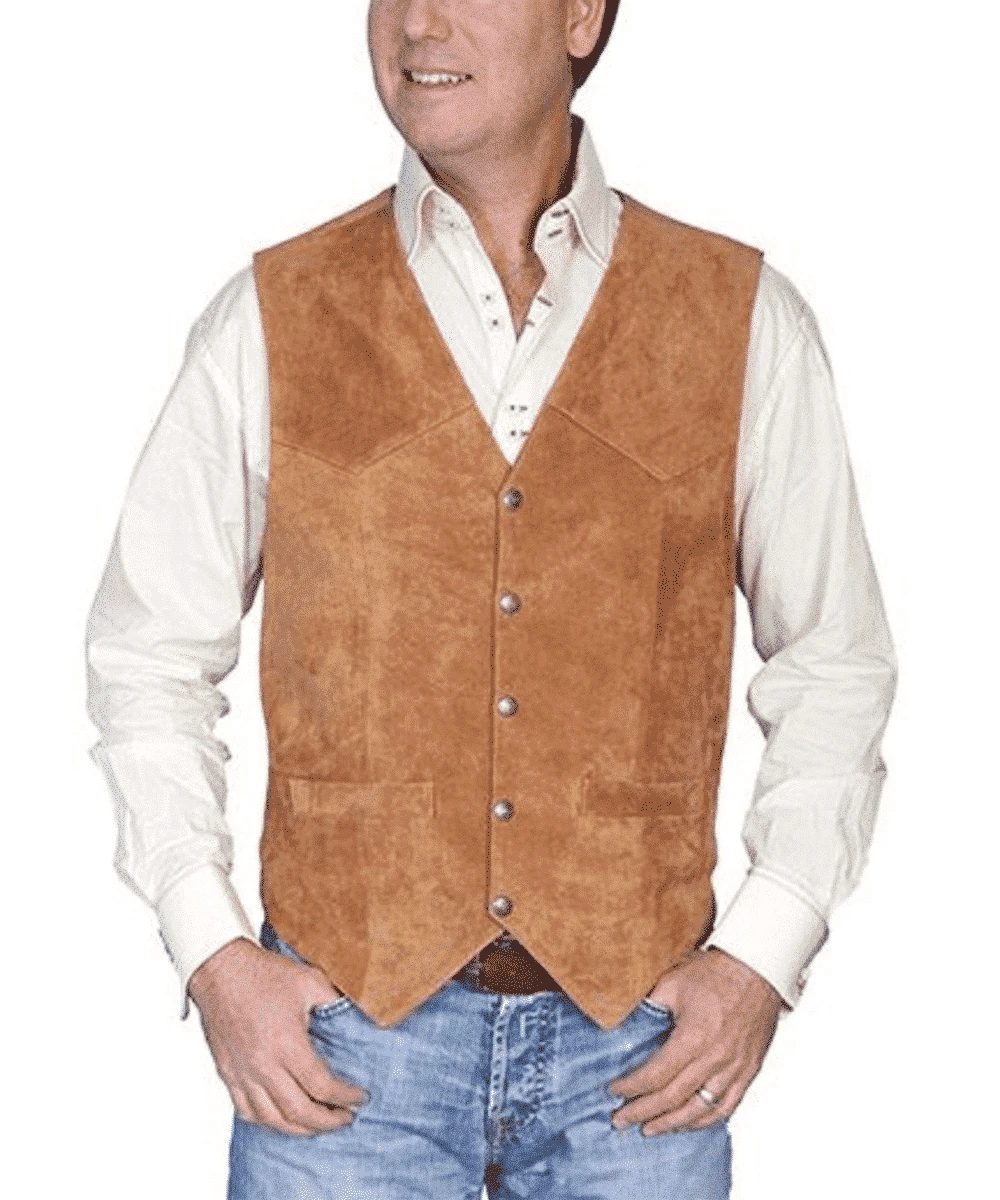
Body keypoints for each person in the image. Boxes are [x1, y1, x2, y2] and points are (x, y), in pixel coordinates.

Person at [84, 2, 897, 1196]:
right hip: (338, 1049)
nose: (418, 22)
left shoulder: (739, 319)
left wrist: (761, 956)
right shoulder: (270, 313)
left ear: (581, 15)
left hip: (642, 1053)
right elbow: (147, 655)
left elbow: (833, 662)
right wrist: (212, 955)